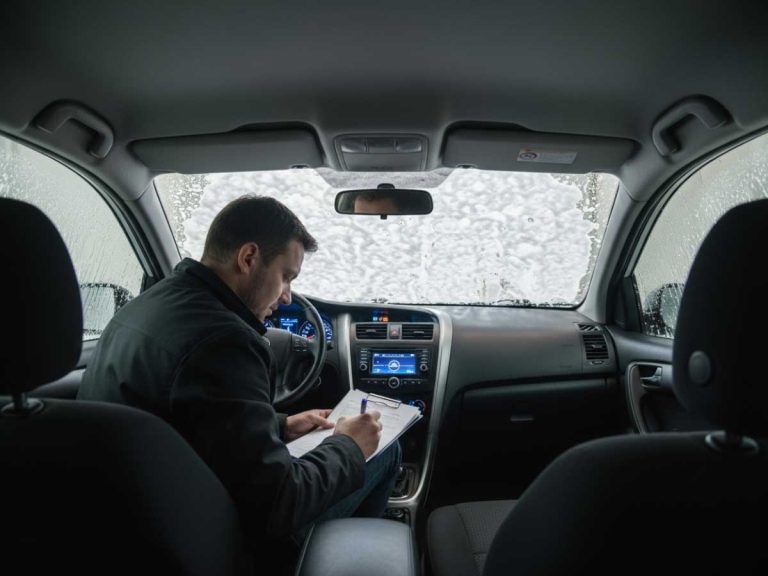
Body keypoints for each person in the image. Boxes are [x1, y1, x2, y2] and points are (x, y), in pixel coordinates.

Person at [78, 195, 401, 558]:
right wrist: (349, 446)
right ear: (248, 258)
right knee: (384, 449)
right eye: (286, 277)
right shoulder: (226, 341)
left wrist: (280, 425)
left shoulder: (152, 303)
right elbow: (280, 504)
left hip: (139, 525)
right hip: (215, 543)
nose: (287, 297)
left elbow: (188, 423)